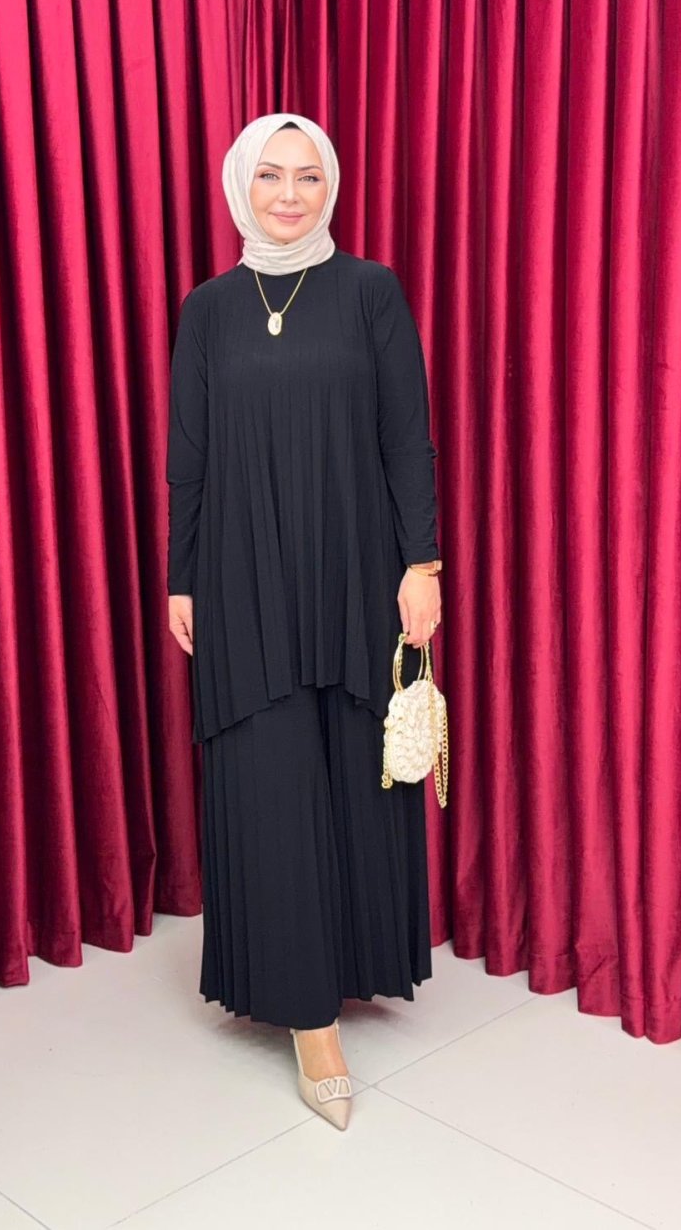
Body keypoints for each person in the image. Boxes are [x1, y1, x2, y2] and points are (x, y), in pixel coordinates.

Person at [166, 112, 443, 1130]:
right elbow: (188, 454)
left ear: (330, 187)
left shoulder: (370, 291)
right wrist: (182, 578)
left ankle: (353, 956)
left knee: (354, 768)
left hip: (356, 568)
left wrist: (422, 563)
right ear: (242, 185)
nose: (290, 195)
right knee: (270, 774)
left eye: (309, 176)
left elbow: (406, 435)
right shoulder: (208, 309)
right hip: (241, 573)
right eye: (271, 176)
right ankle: (306, 1015)